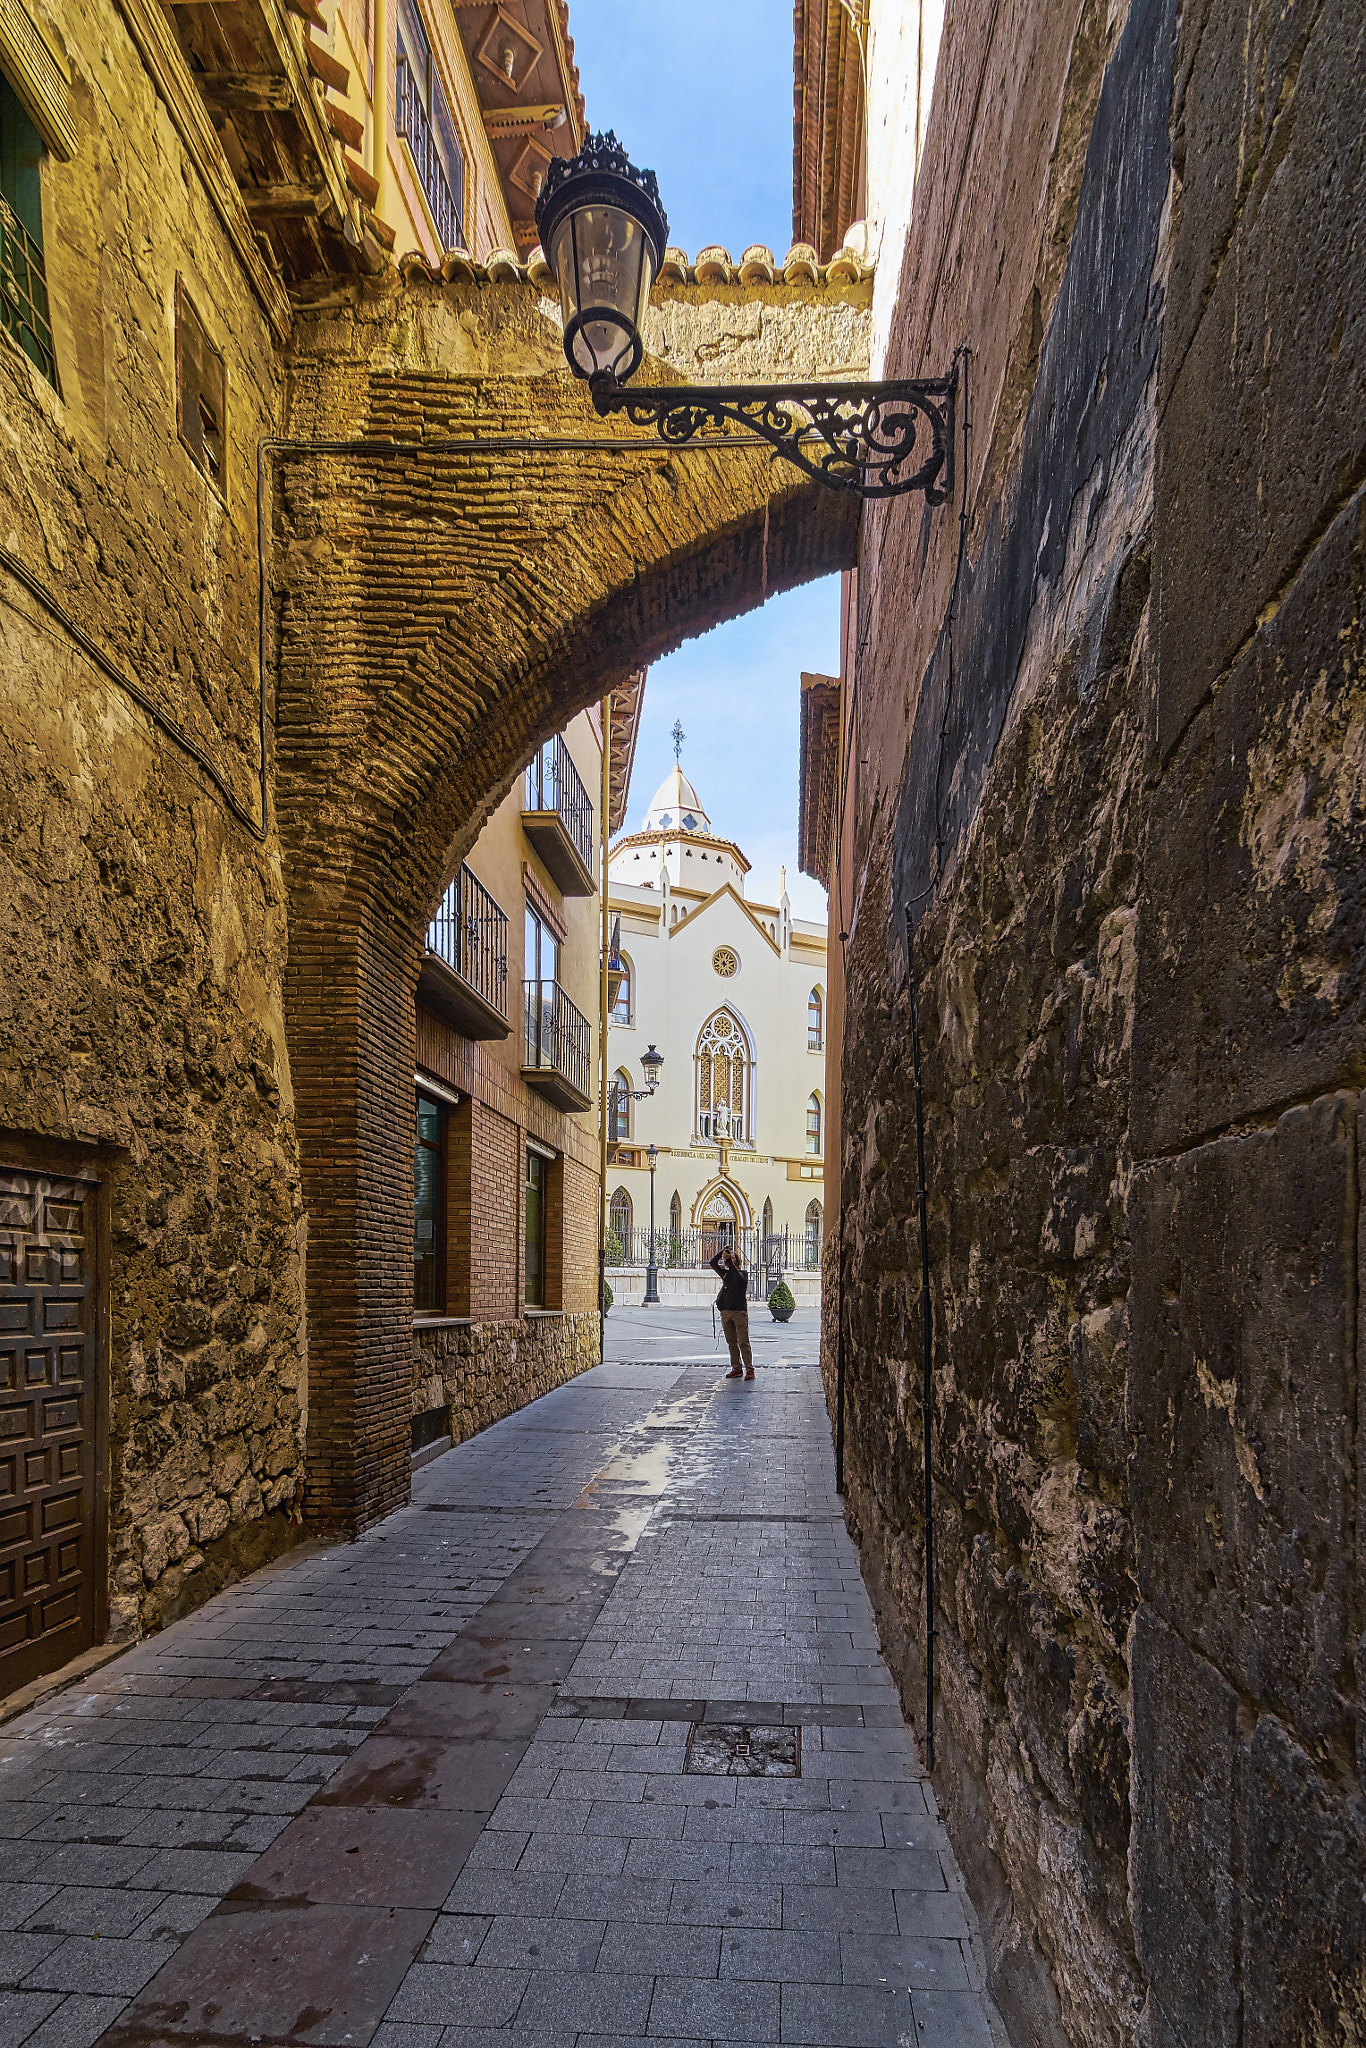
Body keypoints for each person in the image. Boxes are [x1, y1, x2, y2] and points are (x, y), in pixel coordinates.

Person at [710, 1247, 753, 1379]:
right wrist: (721, 1253)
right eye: (730, 1257)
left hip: (739, 1312)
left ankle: (749, 1369)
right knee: (731, 1343)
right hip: (726, 1312)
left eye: (733, 1257)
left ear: (737, 1261)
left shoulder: (743, 1274)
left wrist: (731, 1263)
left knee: (743, 1342)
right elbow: (712, 1263)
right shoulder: (726, 1273)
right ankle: (736, 1368)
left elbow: (738, 1278)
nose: (730, 1258)